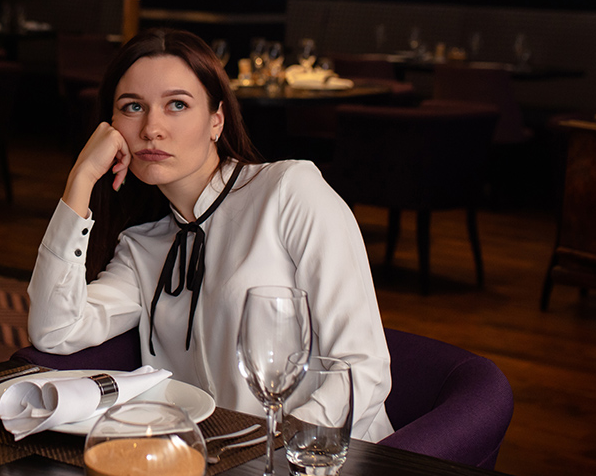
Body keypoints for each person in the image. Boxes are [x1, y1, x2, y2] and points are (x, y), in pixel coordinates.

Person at [26, 28, 392, 440]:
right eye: (133, 107)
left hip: (331, 458)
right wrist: (81, 178)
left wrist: (276, 450)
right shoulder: (141, 247)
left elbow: (363, 368)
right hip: (217, 464)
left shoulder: (289, 191)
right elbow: (54, 331)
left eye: (177, 105)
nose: (151, 128)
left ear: (216, 120)